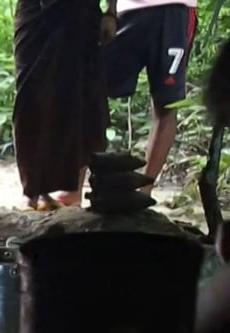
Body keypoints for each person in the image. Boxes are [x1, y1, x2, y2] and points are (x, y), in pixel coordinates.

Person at [12, 0, 114, 210]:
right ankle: (32, 190)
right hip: (35, 10)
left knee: (79, 94)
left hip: (80, 10)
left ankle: (72, 191)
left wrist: (111, 12)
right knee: (30, 95)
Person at [104, 0, 198, 197]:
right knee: (90, 92)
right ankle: (73, 190)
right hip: (125, 10)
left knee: (167, 103)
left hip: (176, 8)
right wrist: (110, 10)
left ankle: (143, 192)